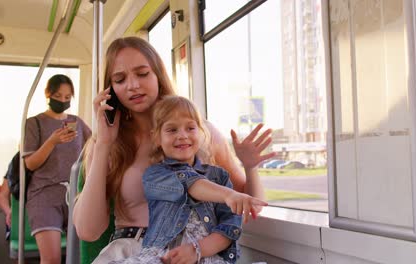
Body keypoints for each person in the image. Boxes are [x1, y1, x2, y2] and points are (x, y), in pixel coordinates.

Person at [73, 36, 275, 264]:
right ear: (111, 89)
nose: (133, 85)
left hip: (193, 252)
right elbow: (88, 232)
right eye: (120, 79)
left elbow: (249, 205)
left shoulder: (200, 134)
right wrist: (103, 144)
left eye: (142, 74)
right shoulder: (110, 145)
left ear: (158, 75)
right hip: (133, 251)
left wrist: (250, 166)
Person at [112, 95, 267, 264]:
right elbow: (190, 184)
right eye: (172, 130)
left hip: (207, 258)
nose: (182, 135)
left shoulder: (219, 177)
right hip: (162, 257)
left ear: (201, 133)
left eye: (190, 128)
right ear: (156, 138)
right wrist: (228, 195)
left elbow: (230, 227)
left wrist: (250, 168)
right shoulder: (155, 175)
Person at [23, 74, 92, 264]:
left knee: (80, 256)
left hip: (75, 194)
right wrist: (52, 141)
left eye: (67, 97)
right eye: (58, 95)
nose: (63, 100)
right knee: (52, 259)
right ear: (48, 94)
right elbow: (30, 163)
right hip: (44, 194)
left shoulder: (77, 122)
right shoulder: (34, 123)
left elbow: (95, 147)